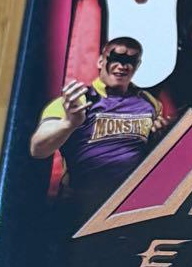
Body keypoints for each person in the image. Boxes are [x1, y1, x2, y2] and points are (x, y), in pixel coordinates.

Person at [29, 37, 166, 206]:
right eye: (116, 58)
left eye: (130, 61)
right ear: (101, 61)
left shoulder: (148, 102)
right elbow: (38, 149)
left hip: (133, 203)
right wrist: (68, 124)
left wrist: (160, 136)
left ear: (137, 65)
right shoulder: (77, 101)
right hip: (82, 203)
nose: (122, 66)